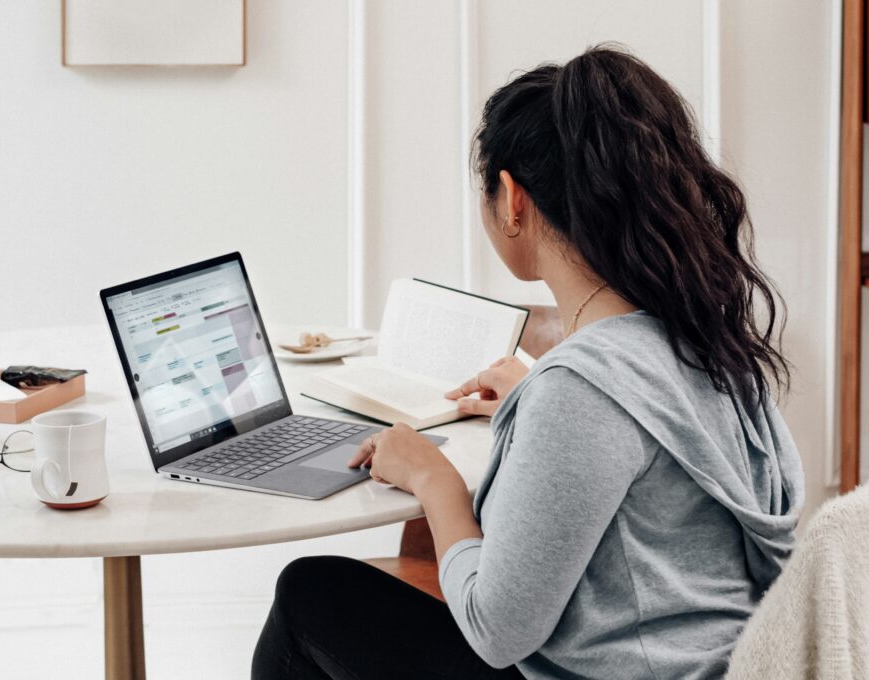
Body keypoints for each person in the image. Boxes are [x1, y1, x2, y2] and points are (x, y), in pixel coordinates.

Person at [252, 45, 804, 680]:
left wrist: (435, 481)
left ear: (512, 199)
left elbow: (497, 630)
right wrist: (535, 393)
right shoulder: (705, 338)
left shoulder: (581, 393)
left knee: (309, 596)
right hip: (717, 660)